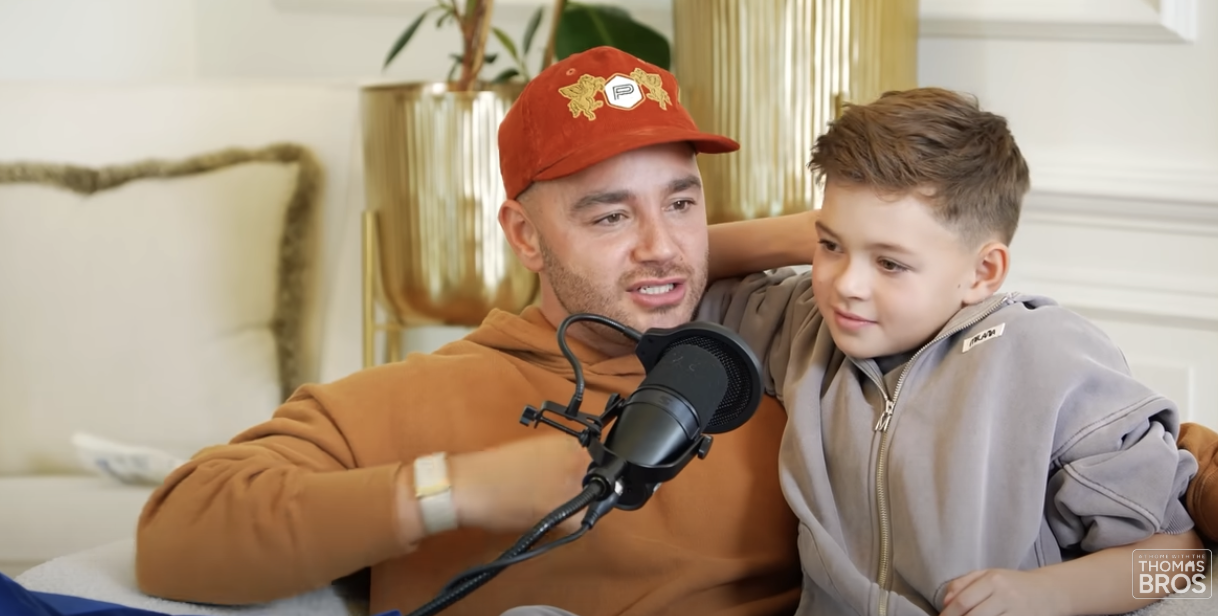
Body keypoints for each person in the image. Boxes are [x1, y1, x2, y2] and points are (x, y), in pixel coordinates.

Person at [134, 47, 811, 616]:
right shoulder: (411, 398)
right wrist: (458, 490)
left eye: (681, 202)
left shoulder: (781, 366)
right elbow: (179, 534)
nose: (663, 246)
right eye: (611, 217)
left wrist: (803, 238)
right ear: (525, 235)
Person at [696, 88, 1206, 616]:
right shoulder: (803, 322)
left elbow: (1182, 557)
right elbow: (674, 268)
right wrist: (814, 226)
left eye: (890, 263)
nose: (846, 284)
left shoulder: (1051, 360)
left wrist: (1045, 596)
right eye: (830, 247)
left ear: (982, 272)